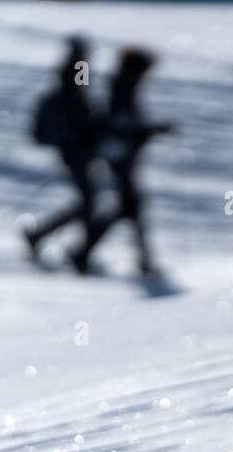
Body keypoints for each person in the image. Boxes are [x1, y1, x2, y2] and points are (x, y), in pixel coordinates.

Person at [68, 47, 174, 277]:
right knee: (130, 207)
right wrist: (151, 131)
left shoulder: (122, 87)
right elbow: (123, 126)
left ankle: (87, 253)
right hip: (120, 159)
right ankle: (84, 253)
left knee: (129, 208)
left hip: (121, 157)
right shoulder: (122, 90)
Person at [24, 36, 97, 260]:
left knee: (88, 200)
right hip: (76, 145)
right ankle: (76, 249)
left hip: (71, 145)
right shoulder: (79, 67)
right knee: (89, 200)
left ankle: (49, 237)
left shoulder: (70, 68)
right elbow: (81, 99)